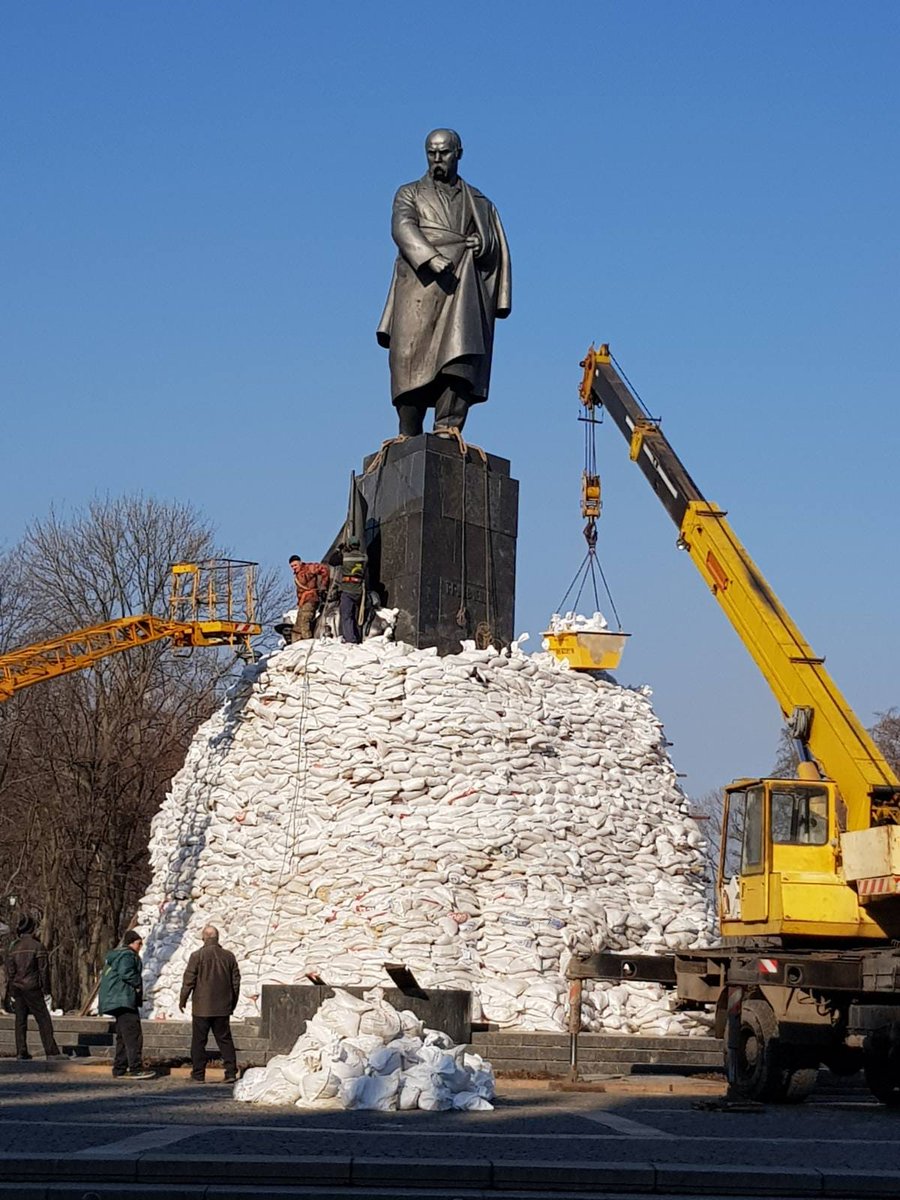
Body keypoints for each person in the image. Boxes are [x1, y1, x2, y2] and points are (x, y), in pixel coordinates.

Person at [377, 128, 511, 438]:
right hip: (420, 287)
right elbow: (402, 226)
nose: (437, 159)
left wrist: (483, 245)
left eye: (444, 152)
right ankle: (407, 434)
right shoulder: (408, 192)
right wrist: (430, 256)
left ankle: (448, 428)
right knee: (408, 361)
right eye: (431, 153)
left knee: (459, 358)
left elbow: (495, 248)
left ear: (459, 153)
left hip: (462, 288)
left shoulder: (479, 202)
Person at [179, 925, 241, 1083]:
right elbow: (236, 982)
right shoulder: (229, 957)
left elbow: (189, 980)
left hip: (202, 1007)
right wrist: (232, 1002)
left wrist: (183, 999)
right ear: (218, 938)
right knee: (225, 1040)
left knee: (199, 1041)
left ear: (203, 938)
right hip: (222, 1007)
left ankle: (198, 1074)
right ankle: (231, 1072)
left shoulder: (197, 956)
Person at [98, 930, 155, 1080]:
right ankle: (135, 1068)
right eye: (138, 943)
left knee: (123, 1036)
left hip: (117, 1000)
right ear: (131, 942)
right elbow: (126, 972)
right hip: (123, 999)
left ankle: (120, 1068)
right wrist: (137, 984)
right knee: (133, 1035)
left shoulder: (116, 955)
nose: (140, 947)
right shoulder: (127, 955)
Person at [4, 914, 63, 1060]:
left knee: (20, 1021)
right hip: (32, 987)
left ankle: (21, 1051)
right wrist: (47, 991)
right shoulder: (37, 946)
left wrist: (11, 990)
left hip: (18, 988)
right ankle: (51, 1051)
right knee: (43, 1019)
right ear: (32, 930)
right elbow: (43, 971)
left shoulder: (14, 948)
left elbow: (10, 972)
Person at [289, 554, 330, 642]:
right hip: (303, 602)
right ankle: (296, 646)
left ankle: (307, 642)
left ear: (300, 563)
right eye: (292, 566)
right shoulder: (297, 575)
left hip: (311, 599)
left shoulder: (309, 568)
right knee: (297, 627)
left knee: (305, 622)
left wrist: (323, 585)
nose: (294, 568)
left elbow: (324, 569)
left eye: (295, 565)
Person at [336, 536, 367, 644]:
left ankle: (350, 639)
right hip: (359, 590)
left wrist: (339, 550)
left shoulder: (344, 557)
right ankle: (358, 638)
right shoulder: (364, 557)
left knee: (346, 616)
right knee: (357, 615)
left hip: (347, 589)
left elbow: (332, 561)